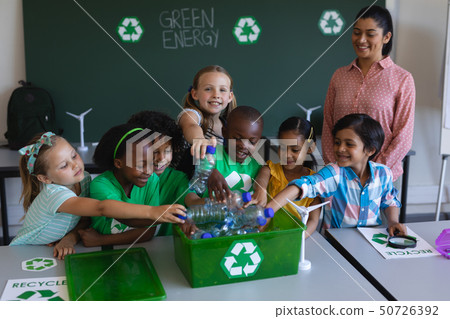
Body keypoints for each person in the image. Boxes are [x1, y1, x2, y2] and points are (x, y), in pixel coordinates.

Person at [9, 132, 185, 259]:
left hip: (49, 251)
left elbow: (85, 219)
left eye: (74, 155)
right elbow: (101, 208)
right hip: (22, 252)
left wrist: (70, 238)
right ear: (45, 178)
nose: (75, 165)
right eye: (64, 165)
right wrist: (153, 212)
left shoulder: (83, 180)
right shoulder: (55, 195)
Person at [267, 114, 406, 236]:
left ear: (370, 150)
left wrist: (393, 222)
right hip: (337, 243)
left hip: (371, 239)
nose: (340, 149)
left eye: (349, 144)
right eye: (337, 142)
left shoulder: (383, 173)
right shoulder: (334, 173)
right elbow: (304, 185)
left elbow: (389, 200)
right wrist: (269, 209)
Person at [321, 5, 415, 182]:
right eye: (357, 32)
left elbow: (403, 136)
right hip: (340, 176)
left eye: (370, 34)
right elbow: (328, 124)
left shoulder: (402, 79)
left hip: (380, 178)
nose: (361, 39)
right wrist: (334, 166)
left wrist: (373, 171)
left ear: (386, 37)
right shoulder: (339, 76)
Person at [78, 124, 186, 247]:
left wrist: (101, 240)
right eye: (141, 165)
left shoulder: (152, 180)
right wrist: (156, 213)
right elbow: (126, 218)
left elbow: (149, 231)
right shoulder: (100, 185)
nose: (149, 171)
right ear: (119, 163)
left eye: (151, 163)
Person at [128, 110, 204, 236]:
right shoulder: (128, 178)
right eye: (154, 152)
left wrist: (219, 204)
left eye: (167, 151)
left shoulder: (177, 179)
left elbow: (193, 200)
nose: (161, 158)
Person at [250, 117, 321, 238]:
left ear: (310, 148)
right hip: (263, 238)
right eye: (282, 148)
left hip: (290, 242)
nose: (287, 154)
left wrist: (297, 239)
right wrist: (261, 190)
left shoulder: (314, 183)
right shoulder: (270, 169)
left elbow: (313, 221)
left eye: (295, 149)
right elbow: (261, 179)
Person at [177, 65, 237, 178]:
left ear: (230, 96)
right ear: (195, 94)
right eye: (208, 89)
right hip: (184, 186)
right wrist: (199, 139)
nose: (216, 95)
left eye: (222, 90)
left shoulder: (227, 125)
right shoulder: (192, 114)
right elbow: (190, 125)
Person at [206, 105, 264, 202]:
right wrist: (209, 171)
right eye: (237, 139)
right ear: (224, 132)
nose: (244, 146)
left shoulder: (257, 168)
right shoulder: (212, 154)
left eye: (252, 142)